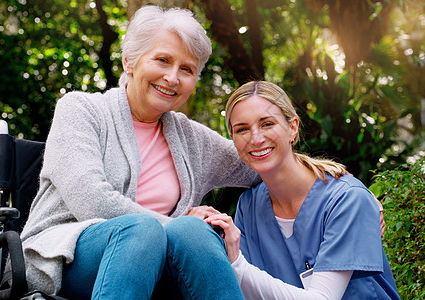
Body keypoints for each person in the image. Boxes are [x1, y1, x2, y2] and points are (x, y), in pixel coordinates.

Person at [19, 5, 259, 299]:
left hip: (160, 264)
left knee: (195, 233)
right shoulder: (81, 110)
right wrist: (175, 224)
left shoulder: (191, 137)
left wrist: (325, 178)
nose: (173, 77)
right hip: (66, 258)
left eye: (187, 69)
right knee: (144, 230)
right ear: (129, 62)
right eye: (162, 60)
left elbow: (260, 160)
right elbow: (93, 202)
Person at [205, 81, 400, 299]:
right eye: (242, 129)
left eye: (267, 124)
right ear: (232, 138)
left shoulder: (347, 199)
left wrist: (236, 263)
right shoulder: (249, 208)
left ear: (293, 127)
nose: (256, 138)